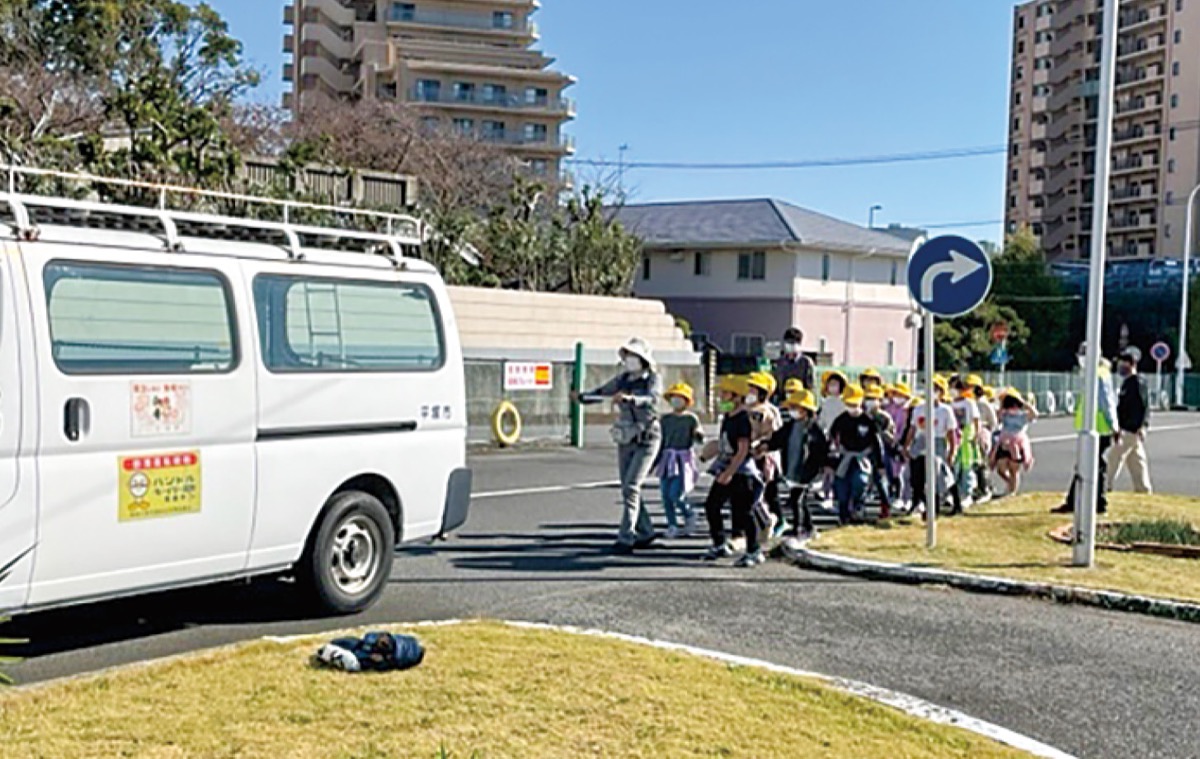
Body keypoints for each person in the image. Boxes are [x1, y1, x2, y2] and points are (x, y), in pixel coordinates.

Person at [574, 337, 663, 554]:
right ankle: (646, 531)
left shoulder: (653, 378)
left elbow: (653, 398)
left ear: (643, 359)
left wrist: (630, 399)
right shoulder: (622, 379)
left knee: (631, 486)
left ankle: (626, 537)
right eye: (628, 355)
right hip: (626, 436)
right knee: (628, 487)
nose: (630, 360)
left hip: (648, 436)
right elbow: (603, 392)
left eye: (634, 356)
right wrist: (583, 397)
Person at [701, 376, 764, 567]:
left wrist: (729, 472)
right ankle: (719, 543)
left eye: (725, 393)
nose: (721, 397)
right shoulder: (728, 417)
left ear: (737, 396)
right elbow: (724, 443)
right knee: (712, 505)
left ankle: (754, 551)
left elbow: (743, 450)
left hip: (741, 472)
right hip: (725, 467)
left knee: (744, 512)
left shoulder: (743, 418)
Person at [1054, 342, 1118, 515]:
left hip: (1099, 428)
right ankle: (1083, 501)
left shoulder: (1099, 375)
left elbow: (1106, 402)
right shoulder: (1094, 373)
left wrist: (1114, 425)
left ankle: (1091, 502)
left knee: (1091, 465)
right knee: (1090, 464)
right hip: (1093, 427)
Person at [764, 389, 829, 548]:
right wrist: (765, 446)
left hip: (806, 470)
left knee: (796, 499)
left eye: (795, 407)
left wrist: (822, 467)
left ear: (805, 410)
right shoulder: (790, 426)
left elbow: (821, 450)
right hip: (791, 468)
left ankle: (798, 530)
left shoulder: (814, 429)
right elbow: (777, 440)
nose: (792, 411)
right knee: (800, 500)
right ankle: (809, 527)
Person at [904, 377, 961, 518]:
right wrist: (907, 445)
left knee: (941, 475)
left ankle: (952, 504)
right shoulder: (918, 409)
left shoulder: (945, 410)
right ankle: (917, 503)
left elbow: (951, 432)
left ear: (941, 392)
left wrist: (952, 451)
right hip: (921, 442)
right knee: (917, 475)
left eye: (935, 389)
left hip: (938, 442)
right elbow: (913, 428)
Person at [828, 383, 884, 524]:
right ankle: (843, 514)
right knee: (841, 487)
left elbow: (876, 443)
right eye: (849, 403)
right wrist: (830, 460)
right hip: (844, 458)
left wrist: (880, 463)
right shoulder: (841, 420)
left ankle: (858, 508)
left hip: (862, 458)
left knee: (860, 482)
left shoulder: (868, 421)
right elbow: (832, 439)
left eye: (854, 404)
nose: (852, 407)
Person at [657, 382, 704, 538]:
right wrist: (655, 460)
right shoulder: (665, 419)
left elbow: (699, 436)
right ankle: (672, 525)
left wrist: (698, 435)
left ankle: (689, 514)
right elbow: (659, 440)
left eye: (680, 397)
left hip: (682, 459)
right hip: (666, 458)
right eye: (674, 397)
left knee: (676, 494)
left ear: (687, 401)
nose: (676, 400)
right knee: (665, 495)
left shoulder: (691, 419)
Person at [1108, 346, 1153, 494]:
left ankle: (1104, 486)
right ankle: (1143, 489)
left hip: (1130, 429)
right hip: (1128, 429)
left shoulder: (1137, 383)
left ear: (1132, 364)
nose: (1120, 365)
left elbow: (1144, 406)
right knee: (1137, 461)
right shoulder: (1127, 383)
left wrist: (1142, 426)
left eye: (1124, 362)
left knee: (1115, 458)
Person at [992, 388, 1038, 496]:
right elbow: (997, 417)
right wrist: (1002, 403)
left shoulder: (1022, 415)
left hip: (1017, 442)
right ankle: (1010, 484)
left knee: (1013, 469)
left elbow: (1034, 414)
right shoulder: (1005, 413)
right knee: (1001, 467)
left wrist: (1024, 403)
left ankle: (1012, 491)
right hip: (1004, 441)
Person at [863, 384, 895, 518]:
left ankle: (885, 505)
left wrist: (882, 433)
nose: (870, 402)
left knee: (881, 480)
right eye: (868, 398)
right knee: (863, 481)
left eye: (874, 399)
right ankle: (859, 506)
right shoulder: (862, 416)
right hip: (864, 451)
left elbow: (891, 437)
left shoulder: (884, 417)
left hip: (881, 452)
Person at [950, 376, 981, 508]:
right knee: (955, 466)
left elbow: (976, 420)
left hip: (967, 435)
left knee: (967, 466)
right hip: (955, 435)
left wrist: (977, 435)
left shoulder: (969, 403)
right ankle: (954, 494)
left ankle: (967, 494)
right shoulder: (950, 403)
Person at [884, 382, 914, 509]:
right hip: (889, 442)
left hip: (902, 443)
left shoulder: (908, 410)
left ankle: (905, 497)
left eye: (900, 395)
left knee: (903, 472)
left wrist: (901, 442)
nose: (897, 397)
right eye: (895, 394)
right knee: (890, 470)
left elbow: (906, 428)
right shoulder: (889, 408)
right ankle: (894, 494)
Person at [971, 376, 997, 502]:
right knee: (974, 463)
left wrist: (984, 430)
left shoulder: (983, 404)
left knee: (982, 462)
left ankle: (985, 488)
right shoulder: (969, 402)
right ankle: (978, 487)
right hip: (970, 434)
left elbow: (993, 422)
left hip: (982, 434)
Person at [773, 326, 815, 397]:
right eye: (788, 342)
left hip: (801, 398)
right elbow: (776, 384)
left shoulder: (806, 362)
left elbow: (810, 385)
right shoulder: (779, 362)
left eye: (793, 342)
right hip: (782, 400)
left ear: (799, 344)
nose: (790, 345)